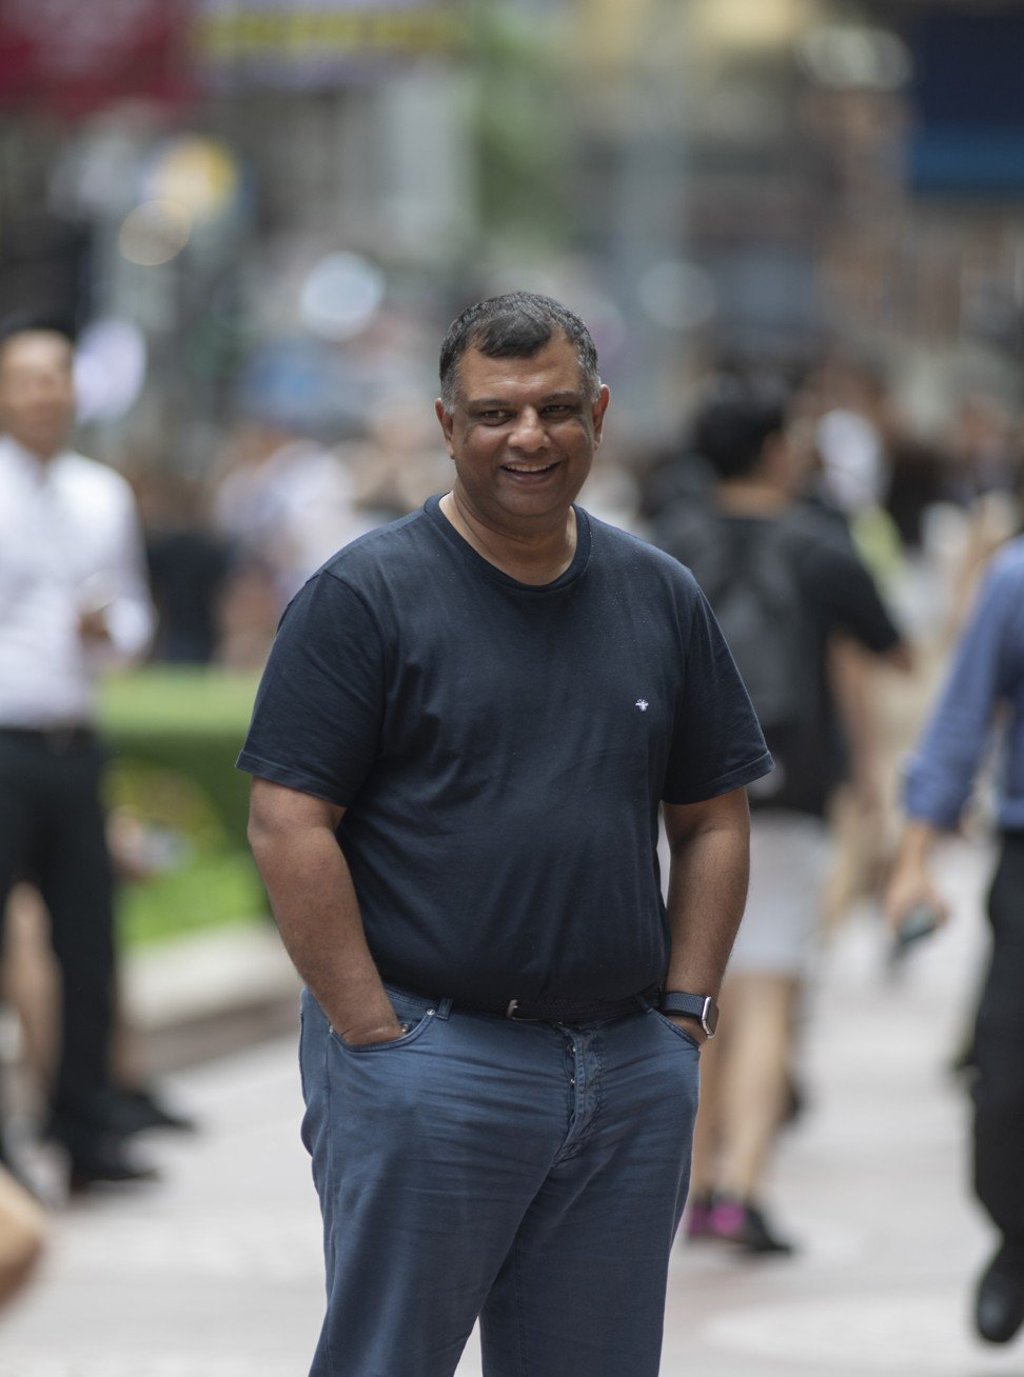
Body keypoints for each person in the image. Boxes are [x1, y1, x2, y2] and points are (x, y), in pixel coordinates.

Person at [239, 292, 774, 1377]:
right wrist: (371, 1036)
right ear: (447, 426)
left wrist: (684, 1014)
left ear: (600, 415)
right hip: (434, 1063)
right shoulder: (365, 596)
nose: (527, 437)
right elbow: (289, 820)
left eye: (555, 410)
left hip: (626, 1069)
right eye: (494, 414)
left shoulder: (658, 596)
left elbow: (713, 813)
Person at [652, 375, 910, 1254]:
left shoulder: (664, 543)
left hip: (674, 794)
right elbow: (894, 647)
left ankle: (687, 1185)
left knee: (690, 988)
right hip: (787, 788)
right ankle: (742, 1189)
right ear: (774, 450)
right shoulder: (820, 543)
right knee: (765, 991)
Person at [0, 322, 158, 1190]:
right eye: (25, 379)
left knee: (89, 944)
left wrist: (110, 631)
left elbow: (133, 618)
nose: (43, 394)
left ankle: (85, 1130)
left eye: (56, 377)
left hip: (72, 739)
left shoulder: (103, 494)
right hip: (1, 738)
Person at [886, 535, 1024, 1347]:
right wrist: (913, 860)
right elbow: (960, 719)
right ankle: (1015, 1238)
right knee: (1006, 1087)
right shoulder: (1014, 578)